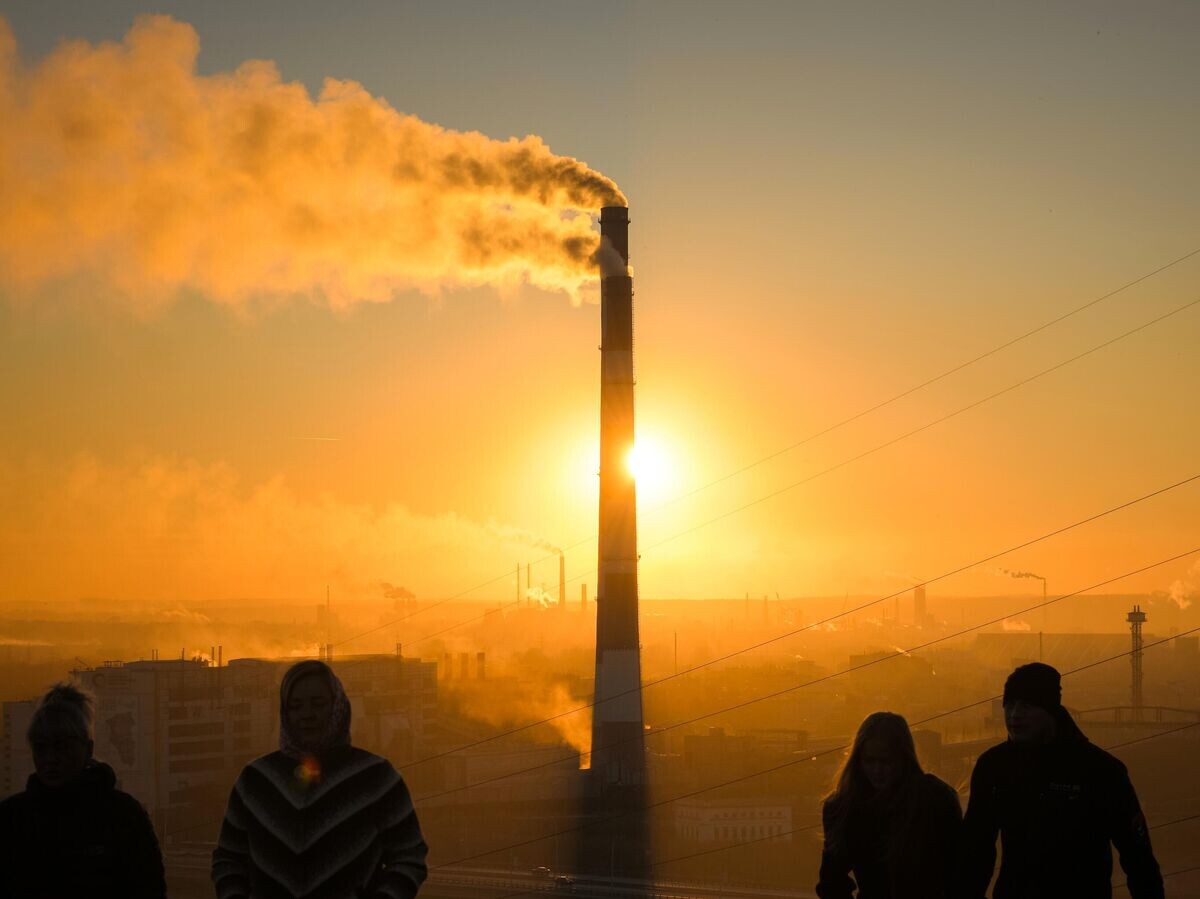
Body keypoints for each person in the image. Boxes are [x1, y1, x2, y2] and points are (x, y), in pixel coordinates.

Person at [213, 659, 428, 898]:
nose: (307, 715)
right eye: (295, 706)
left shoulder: (376, 778)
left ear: (337, 707)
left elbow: (409, 856)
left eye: (318, 704)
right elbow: (228, 858)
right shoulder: (255, 781)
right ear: (284, 713)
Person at [960, 662, 1164, 899]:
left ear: (1050, 710)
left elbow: (1138, 859)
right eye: (1010, 705)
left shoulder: (1100, 770)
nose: (1014, 715)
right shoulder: (994, 767)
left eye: (1026, 706)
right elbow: (975, 850)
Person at [0, 682, 166, 898]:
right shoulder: (12, 818)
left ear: (88, 749)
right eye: (41, 747)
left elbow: (149, 888)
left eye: (61, 746)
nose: (50, 759)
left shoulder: (122, 816)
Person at [816, 711, 961, 899]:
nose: (877, 770)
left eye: (885, 761)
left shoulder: (935, 799)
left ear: (903, 759)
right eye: (870, 761)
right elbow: (831, 881)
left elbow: (958, 869)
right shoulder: (842, 807)